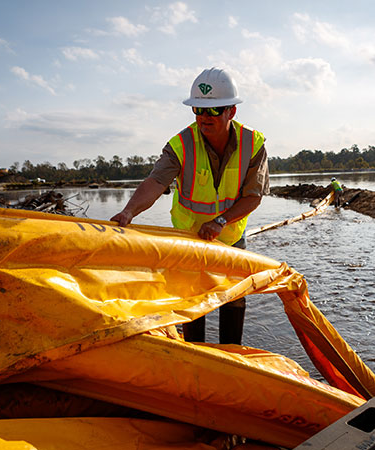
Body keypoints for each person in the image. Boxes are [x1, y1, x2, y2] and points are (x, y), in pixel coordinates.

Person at [110, 67, 269, 345]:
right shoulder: (181, 144)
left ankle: (231, 356)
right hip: (188, 238)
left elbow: (253, 196)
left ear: (231, 111)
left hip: (230, 238)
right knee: (192, 303)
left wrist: (220, 221)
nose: (204, 118)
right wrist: (129, 211)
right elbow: (155, 182)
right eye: (198, 110)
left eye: (213, 111)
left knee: (233, 299)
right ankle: (197, 358)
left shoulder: (252, 144)